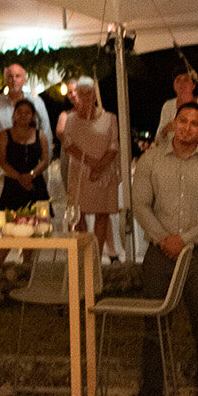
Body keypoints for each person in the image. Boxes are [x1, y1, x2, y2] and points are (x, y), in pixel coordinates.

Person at [128, 102, 198, 396]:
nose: (188, 128)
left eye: (195, 123)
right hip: (159, 252)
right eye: (183, 121)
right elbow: (141, 205)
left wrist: (183, 239)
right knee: (155, 324)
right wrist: (164, 238)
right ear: (174, 124)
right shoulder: (150, 160)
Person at [60, 77, 122, 265]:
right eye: (82, 93)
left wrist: (100, 167)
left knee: (102, 214)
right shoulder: (71, 120)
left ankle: (96, 256)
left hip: (104, 174)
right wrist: (90, 163)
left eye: (89, 93)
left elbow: (113, 146)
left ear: (95, 94)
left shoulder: (110, 118)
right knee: (79, 215)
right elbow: (68, 144)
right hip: (80, 173)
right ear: (77, 95)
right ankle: (82, 257)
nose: (86, 97)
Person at [0, 64, 52, 176]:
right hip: (3, 171)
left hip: (32, 169)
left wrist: (44, 165)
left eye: (17, 76)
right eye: (10, 76)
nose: (14, 80)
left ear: (24, 79)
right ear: (5, 80)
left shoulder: (37, 102)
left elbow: (46, 132)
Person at [0, 101, 51, 213]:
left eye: (27, 113)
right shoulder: (4, 135)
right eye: (19, 112)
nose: (23, 116)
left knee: (40, 222)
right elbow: (1, 161)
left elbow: (45, 160)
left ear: (33, 116)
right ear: (14, 114)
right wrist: (20, 178)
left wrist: (31, 175)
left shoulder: (40, 135)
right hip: (12, 184)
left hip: (35, 184)